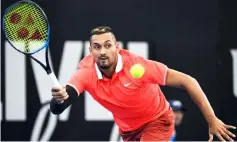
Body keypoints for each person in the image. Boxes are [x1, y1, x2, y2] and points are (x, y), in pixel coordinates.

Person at [50, 26, 236, 141]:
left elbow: (188, 81)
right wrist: (60, 99)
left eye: (108, 45)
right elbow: (60, 105)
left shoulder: (138, 67)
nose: (103, 51)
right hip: (128, 131)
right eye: (97, 47)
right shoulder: (86, 72)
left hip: (158, 120)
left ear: (117, 47)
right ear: (90, 51)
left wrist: (212, 120)